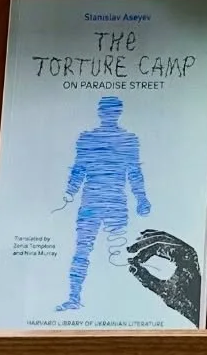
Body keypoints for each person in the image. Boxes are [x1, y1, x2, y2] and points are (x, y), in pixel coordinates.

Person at [57, 96, 150, 312]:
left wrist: (69, 193)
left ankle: (81, 298)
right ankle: (77, 298)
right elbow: (133, 173)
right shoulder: (126, 139)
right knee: (113, 253)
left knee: (103, 253)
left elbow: (79, 170)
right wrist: (141, 198)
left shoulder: (91, 139)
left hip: (99, 203)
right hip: (108, 203)